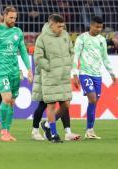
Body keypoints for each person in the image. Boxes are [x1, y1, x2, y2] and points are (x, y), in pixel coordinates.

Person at [0, 6, 33, 142]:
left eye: (15, 18)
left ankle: (7, 131)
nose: (13, 20)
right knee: (7, 98)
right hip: (1, 70)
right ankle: (3, 131)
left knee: (12, 102)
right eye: (10, 17)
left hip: (14, 70)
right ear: (4, 16)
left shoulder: (18, 32)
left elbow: (23, 51)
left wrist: (29, 69)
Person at [73, 16, 116, 139]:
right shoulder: (82, 38)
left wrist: (112, 74)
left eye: (100, 27)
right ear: (91, 25)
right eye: (96, 26)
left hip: (97, 75)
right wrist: (74, 74)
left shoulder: (102, 40)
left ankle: (90, 130)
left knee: (94, 102)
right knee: (92, 99)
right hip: (85, 73)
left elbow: (105, 58)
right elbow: (76, 56)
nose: (98, 29)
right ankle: (89, 130)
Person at [34, 14, 74, 143]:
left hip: (63, 76)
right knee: (50, 105)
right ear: (51, 24)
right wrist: (50, 67)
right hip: (50, 77)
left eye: (63, 26)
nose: (61, 28)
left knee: (66, 104)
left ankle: (46, 125)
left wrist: (68, 65)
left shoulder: (65, 36)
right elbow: (38, 57)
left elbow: (71, 52)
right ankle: (54, 134)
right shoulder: (42, 38)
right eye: (59, 26)